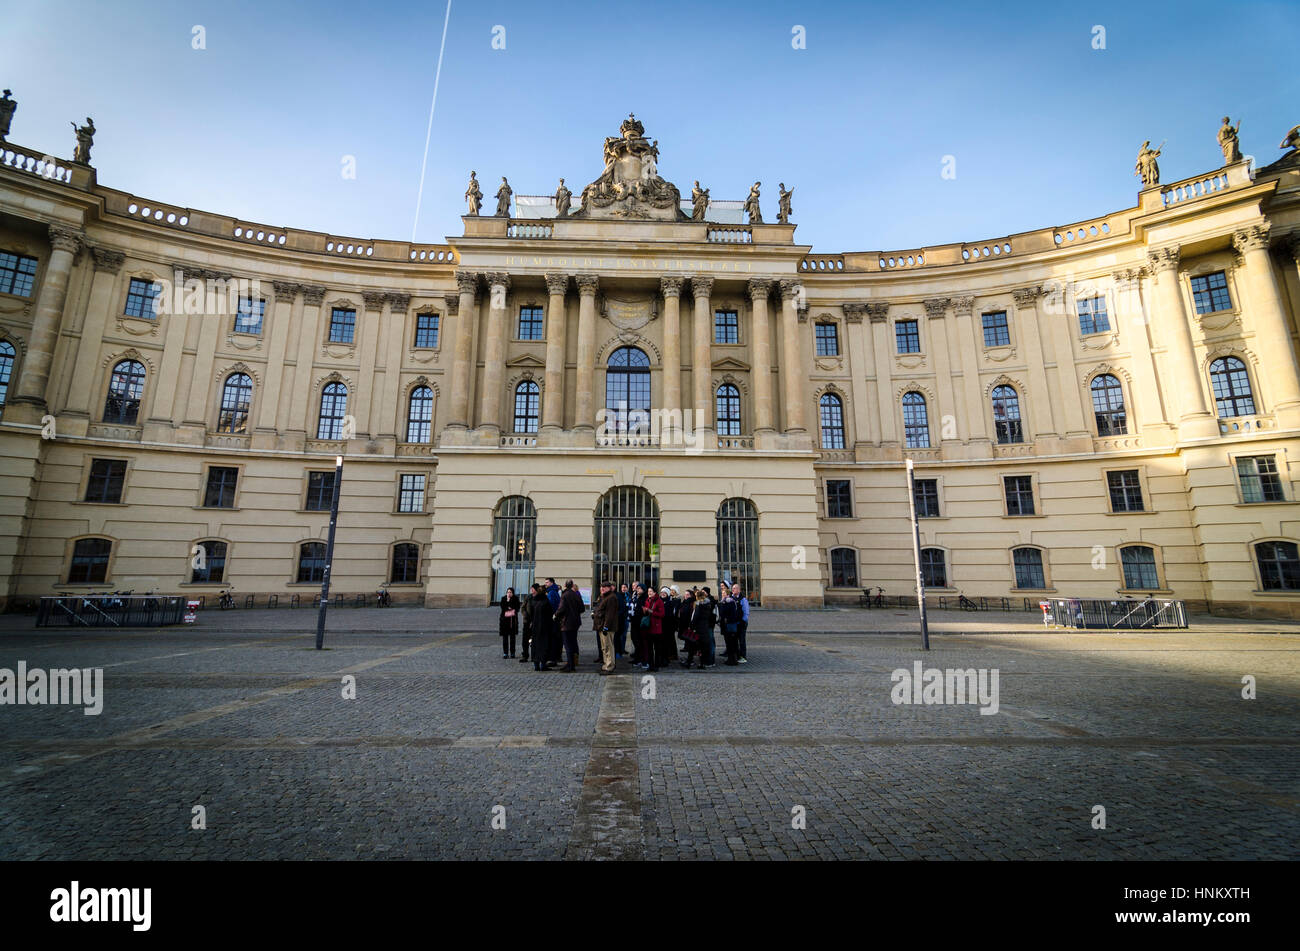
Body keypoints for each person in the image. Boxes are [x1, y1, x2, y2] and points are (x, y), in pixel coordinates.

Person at [592, 579, 619, 674]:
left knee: (608, 647)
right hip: (601, 625)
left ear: (609, 588)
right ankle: (606, 664)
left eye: (605, 587)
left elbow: (610, 614)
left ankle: (610, 666)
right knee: (604, 647)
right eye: (601, 587)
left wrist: (606, 627)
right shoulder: (604, 597)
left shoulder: (611, 597)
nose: (602, 588)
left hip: (607, 627)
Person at [557, 580, 584, 672]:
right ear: (572, 585)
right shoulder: (576, 594)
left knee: (568, 644)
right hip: (576, 622)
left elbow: (561, 609)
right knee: (573, 642)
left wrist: (556, 615)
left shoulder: (564, 595)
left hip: (566, 623)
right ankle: (572, 663)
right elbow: (582, 608)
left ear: (565, 586)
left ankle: (570, 665)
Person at [528, 583, 553, 671]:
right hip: (544, 627)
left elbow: (530, 614)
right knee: (544, 646)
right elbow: (550, 614)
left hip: (535, 627)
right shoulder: (546, 602)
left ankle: (536, 665)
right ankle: (543, 664)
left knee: (535, 645)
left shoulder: (533, 602)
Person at [694, 586, 717, 668]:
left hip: (709, 625)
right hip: (706, 625)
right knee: (706, 644)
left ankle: (710, 661)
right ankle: (707, 660)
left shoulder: (710, 601)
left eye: (703, 592)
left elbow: (711, 615)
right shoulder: (705, 601)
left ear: (707, 593)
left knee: (710, 643)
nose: (702, 593)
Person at [645, 587, 667, 671]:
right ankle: (651, 665)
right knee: (649, 648)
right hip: (648, 627)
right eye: (648, 591)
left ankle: (656, 665)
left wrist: (651, 611)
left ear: (655, 593)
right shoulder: (647, 600)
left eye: (651, 591)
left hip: (656, 628)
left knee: (657, 648)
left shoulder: (659, 601)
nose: (649, 593)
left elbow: (662, 614)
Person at [718, 588, 741, 665]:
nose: (723, 595)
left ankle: (732, 660)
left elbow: (724, 613)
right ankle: (732, 659)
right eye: (722, 593)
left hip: (729, 625)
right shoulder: (726, 602)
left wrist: (722, 605)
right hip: (728, 625)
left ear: (728, 594)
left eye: (724, 593)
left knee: (731, 643)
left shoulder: (729, 602)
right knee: (730, 643)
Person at [679, 588, 700, 668]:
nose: (685, 596)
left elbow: (691, 615)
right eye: (685, 594)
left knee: (691, 644)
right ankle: (689, 660)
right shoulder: (685, 602)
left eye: (687, 594)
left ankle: (690, 661)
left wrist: (690, 626)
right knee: (689, 644)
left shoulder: (692, 603)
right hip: (685, 625)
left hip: (690, 626)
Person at [545, 578, 563, 666]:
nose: (546, 584)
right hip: (556, 618)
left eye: (547, 582)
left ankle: (553, 658)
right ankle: (557, 656)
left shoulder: (551, 593)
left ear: (551, 583)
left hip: (553, 619)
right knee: (557, 638)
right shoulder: (554, 591)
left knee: (553, 639)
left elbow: (550, 606)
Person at [731, 583, 750, 664]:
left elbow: (746, 612)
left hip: (741, 623)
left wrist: (743, 621)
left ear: (739, 590)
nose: (733, 590)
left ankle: (743, 656)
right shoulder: (730, 598)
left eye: (735, 588)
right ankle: (736, 656)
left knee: (741, 640)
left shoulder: (743, 599)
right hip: (734, 623)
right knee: (734, 641)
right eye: (733, 588)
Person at [499, 587, 520, 658]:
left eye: (510, 592)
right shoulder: (503, 598)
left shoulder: (516, 598)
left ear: (513, 593)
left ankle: (512, 652)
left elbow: (517, 608)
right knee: (505, 638)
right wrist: (508, 602)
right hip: (504, 621)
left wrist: (510, 607)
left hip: (512, 621)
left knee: (512, 638)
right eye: (508, 592)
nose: (509, 593)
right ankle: (505, 653)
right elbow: (503, 607)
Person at [615, 582, 630, 659]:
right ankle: (619, 650)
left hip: (627, 618)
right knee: (620, 635)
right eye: (622, 587)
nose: (624, 588)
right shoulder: (618, 595)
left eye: (625, 587)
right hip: (621, 618)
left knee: (624, 635)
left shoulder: (629, 596)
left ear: (627, 588)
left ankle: (623, 649)